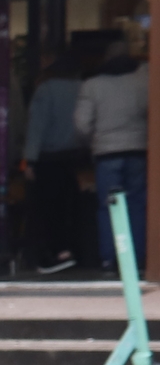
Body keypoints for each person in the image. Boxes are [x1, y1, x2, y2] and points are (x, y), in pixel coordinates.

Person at [73, 43, 150, 273]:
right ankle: (137, 256)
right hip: (137, 150)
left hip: (106, 153)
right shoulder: (142, 82)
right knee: (137, 203)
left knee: (108, 206)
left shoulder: (92, 86)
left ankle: (110, 258)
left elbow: (81, 124)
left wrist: (92, 143)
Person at [22, 49, 90, 273]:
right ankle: (73, 251)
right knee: (73, 206)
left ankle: (55, 254)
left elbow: (37, 127)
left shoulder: (46, 90)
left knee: (49, 209)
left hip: (49, 158)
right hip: (77, 157)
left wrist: (28, 160)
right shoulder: (83, 88)